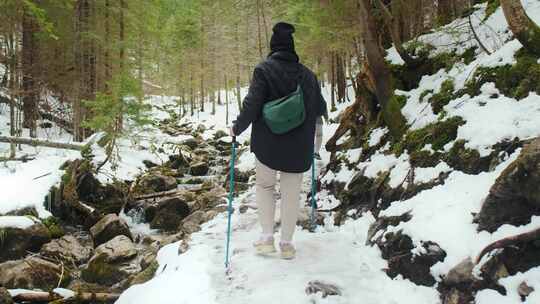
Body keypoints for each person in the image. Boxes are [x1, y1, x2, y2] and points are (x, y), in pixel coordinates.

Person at [230, 22, 327, 260]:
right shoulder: (308, 75)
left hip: (268, 144)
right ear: (292, 47)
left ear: (274, 47)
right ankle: (286, 244)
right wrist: (316, 141)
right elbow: (319, 108)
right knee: (291, 194)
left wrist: (236, 128)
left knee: (265, 187)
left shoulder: (263, 70)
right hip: (298, 147)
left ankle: (266, 239)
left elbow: (252, 105)